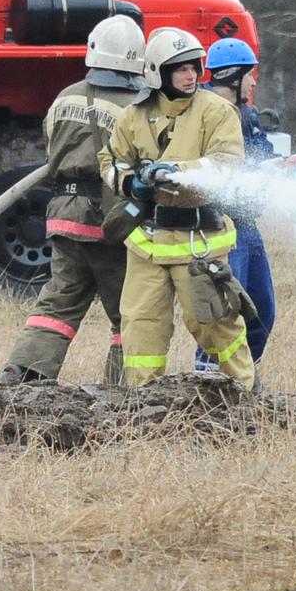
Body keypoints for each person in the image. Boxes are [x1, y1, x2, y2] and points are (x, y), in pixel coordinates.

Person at [0, 16, 151, 385]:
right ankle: (123, 391)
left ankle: (21, 372)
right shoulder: (134, 106)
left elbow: (51, 147)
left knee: (58, 303)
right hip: (109, 221)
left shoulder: (65, 97)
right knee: (127, 310)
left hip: (63, 216)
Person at [99, 27, 254, 388]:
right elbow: (110, 160)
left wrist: (176, 172)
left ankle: (245, 393)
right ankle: (143, 402)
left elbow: (226, 163)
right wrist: (129, 182)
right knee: (140, 324)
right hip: (147, 242)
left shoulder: (217, 112)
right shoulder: (133, 115)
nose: (191, 76)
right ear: (157, 72)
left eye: (194, 67)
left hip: (198, 241)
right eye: (180, 69)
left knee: (214, 322)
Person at [195, 37, 277, 373]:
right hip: (221, 228)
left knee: (262, 311)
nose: (254, 81)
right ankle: (208, 382)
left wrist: (280, 165)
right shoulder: (203, 114)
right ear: (232, 76)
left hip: (247, 226)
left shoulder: (247, 114)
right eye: (250, 74)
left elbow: (263, 153)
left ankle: (245, 379)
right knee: (224, 312)